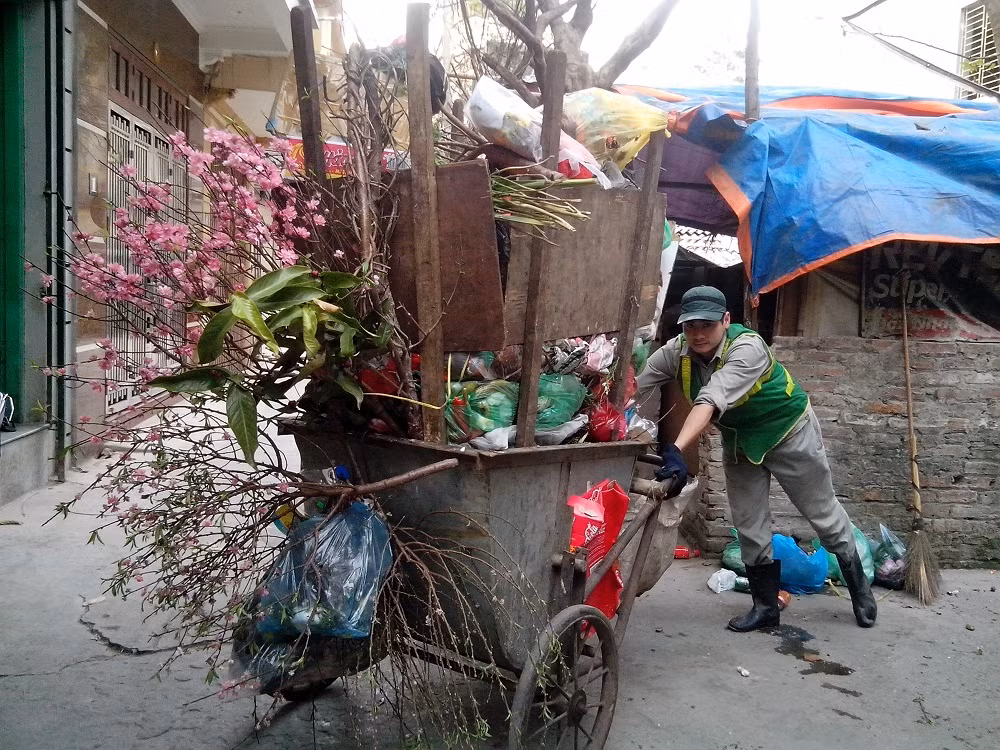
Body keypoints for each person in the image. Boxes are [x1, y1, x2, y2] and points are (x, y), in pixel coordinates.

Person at [637, 285, 876, 632]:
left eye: (708, 325)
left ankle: (859, 589)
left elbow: (710, 399)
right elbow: (634, 385)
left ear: (726, 320)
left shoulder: (748, 348)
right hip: (741, 439)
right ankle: (766, 606)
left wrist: (675, 448)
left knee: (821, 514)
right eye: (691, 326)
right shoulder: (676, 353)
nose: (699, 334)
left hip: (789, 432)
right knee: (748, 523)